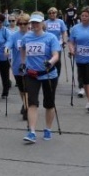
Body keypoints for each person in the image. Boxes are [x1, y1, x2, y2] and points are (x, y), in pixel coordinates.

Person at [20, 11, 61, 143]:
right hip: (32, 74)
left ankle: (48, 129)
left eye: (37, 22)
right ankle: (31, 132)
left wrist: (50, 62)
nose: (35, 25)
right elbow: (23, 50)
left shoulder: (50, 38)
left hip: (48, 74)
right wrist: (22, 63)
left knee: (49, 104)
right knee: (32, 102)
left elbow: (56, 55)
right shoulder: (27, 37)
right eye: (33, 22)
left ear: (43, 23)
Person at [8, 13, 31, 119]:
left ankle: (27, 108)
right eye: (20, 23)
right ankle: (25, 103)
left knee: (27, 88)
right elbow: (8, 43)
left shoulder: (32, 35)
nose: (22, 26)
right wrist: (6, 48)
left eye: (24, 23)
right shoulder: (14, 36)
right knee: (22, 89)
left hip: (31, 66)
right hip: (17, 66)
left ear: (28, 24)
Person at [44, 7, 68, 80]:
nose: (52, 14)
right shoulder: (45, 22)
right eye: (50, 13)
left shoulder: (60, 22)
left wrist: (64, 41)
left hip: (57, 43)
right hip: (47, 44)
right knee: (48, 59)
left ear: (56, 13)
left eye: (53, 13)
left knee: (57, 60)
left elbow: (64, 32)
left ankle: (56, 75)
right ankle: (48, 74)